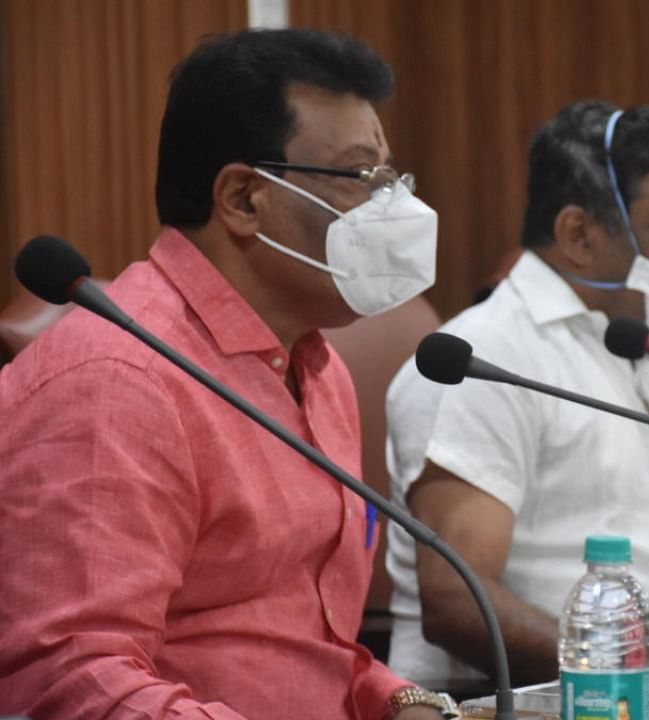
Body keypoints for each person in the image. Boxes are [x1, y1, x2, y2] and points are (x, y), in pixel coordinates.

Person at [0, 29, 453, 719]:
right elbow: (70, 680)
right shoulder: (118, 383)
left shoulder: (315, 363)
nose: (393, 208)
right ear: (244, 198)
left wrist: (401, 701)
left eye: (393, 178)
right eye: (363, 178)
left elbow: (300, 643)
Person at [383, 101, 649, 687]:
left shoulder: (637, 343)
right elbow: (458, 602)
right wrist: (627, 674)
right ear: (578, 234)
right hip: (519, 696)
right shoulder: (485, 360)